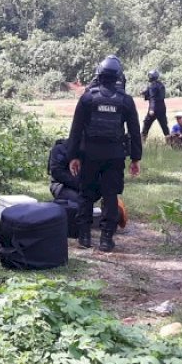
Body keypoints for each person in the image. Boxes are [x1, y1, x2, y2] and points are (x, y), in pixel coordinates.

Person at [66, 55, 142, 252]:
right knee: (110, 195)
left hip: (89, 154)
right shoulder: (125, 101)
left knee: (86, 194)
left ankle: (84, 237)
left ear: (98, 74)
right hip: (115, 155)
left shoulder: (88, 98)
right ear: (118, 76)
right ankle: (106, 239)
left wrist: (72, 156)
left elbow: (75, 130)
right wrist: (135, 158)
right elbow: (134, 131)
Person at [48, 138, 81, 203]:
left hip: (83, 186)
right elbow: (57, 173)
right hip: (61, 186)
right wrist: (80, 184)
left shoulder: (87, 149)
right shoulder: (59, 149)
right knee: (79, 201)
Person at [140, 69, 169, 141]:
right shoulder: (160, 84)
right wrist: (145, 92)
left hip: (154, 108)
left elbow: (152, 98)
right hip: (162, 107)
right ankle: (171, 142)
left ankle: (142, 140)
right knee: (164, 125)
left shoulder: (152, 86)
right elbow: (155, 94)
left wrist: (152, 109)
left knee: (146, 123)